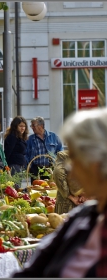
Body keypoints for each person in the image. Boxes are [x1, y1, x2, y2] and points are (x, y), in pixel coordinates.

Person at [12, 107, 107, 278]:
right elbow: (32, 271)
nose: (72, 170)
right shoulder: (80, 217)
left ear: (96, 164)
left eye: (75, 160)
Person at [26, 116, 63, 184]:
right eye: (31, 126)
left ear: (41, 125)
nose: (32, 127)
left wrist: (58, 165)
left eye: (34, 125)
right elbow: (26, 154)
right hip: (36, 170)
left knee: (51, 189)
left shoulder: (53, 136)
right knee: (36, 190)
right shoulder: (30, 139)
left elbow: (60, 151)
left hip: (50, 169)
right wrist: (29, 167)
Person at [53, 150, 87, 215]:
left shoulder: (64, 155)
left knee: (63, 222)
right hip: (92, 205)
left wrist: (70, 196)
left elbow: (58, 174)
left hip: (67, 206)